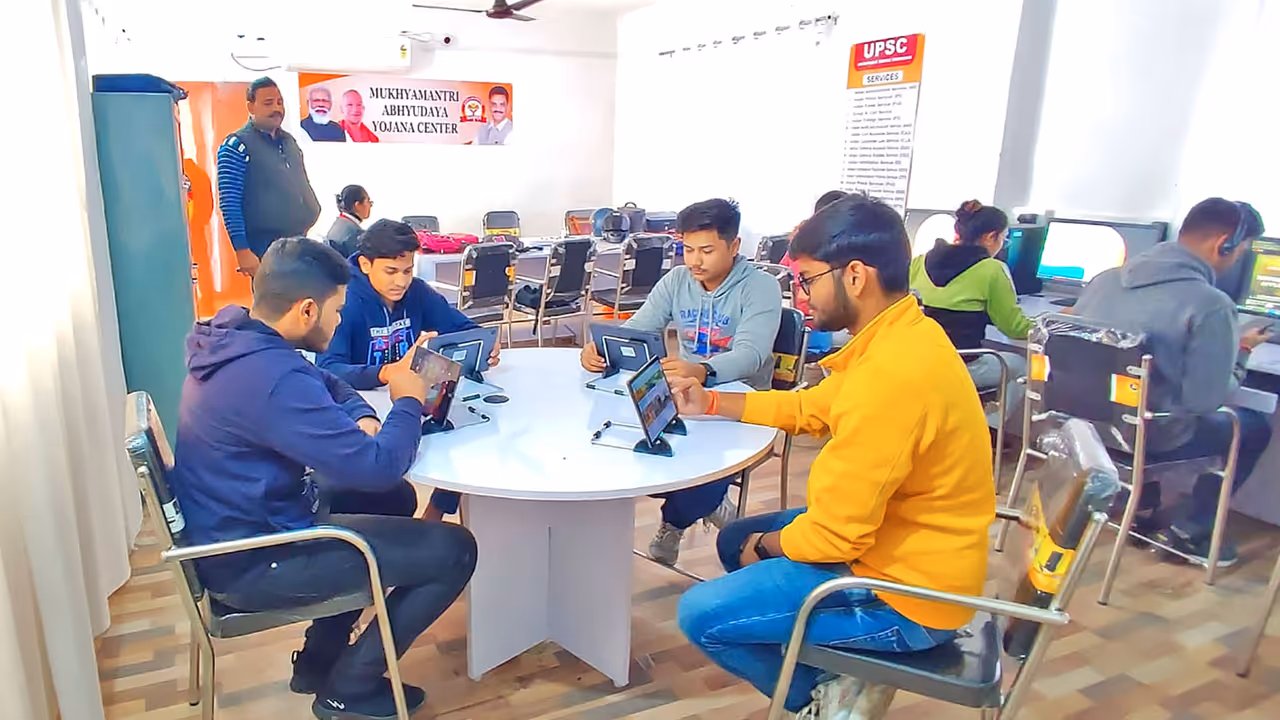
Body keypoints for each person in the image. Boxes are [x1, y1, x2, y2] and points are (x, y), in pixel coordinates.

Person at [673, 196, 995, 718]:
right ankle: (834, 667)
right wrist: (709, 401)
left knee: (701, 614)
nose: (801, 297)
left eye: (807, 280)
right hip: (900, 544)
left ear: (855, 276)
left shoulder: (893, 377)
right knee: (733, 540)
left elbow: (835, 537)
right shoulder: (901, 335)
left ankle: (822, 703)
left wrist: (767, 546)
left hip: (908, 597)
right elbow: (811, 407)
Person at [171, 238, 477, 719]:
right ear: (308, 310)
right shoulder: (272, 379)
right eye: (336, 311)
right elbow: (378, 466)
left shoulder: (242, 337)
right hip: (254, 561)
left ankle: (319, 660)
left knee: (395, 499)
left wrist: (364, 415)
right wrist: (407, 400)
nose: (338, 323)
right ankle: (349, 691)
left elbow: (327, 382)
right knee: (454, 550)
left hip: (237, 527)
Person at [580, 198, 783, 565]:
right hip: (683, 394)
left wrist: (703, 370)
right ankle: (708, 503)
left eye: (707, 250)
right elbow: (639, 329)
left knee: (701, 465)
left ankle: (675, 520)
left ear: (734, 246)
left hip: (743, 400)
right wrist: (600, 348)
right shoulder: (677, 281)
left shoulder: (760, 287)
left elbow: (751, 354)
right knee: (631, 446)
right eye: (688, 249)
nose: (695, 261)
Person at [1072, 197, 1273, 566]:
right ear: (1224, 244)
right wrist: (1241, 351)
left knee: (1148, 399)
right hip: (1149, 436)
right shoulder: (1210, 304)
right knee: (1252, 427)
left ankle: (1138, 502)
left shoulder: (1103, 281)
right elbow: (1205, 401)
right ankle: (1191, 530)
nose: (1237, 261)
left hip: (1086, 426)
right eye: (1241, 251)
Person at [318, 219, 500, 522]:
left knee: (460, 433)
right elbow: (328, 370)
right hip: (362, 407)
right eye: (391, 271)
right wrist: (386, 373)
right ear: (365, 264)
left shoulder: (417, 292)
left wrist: (486, 343)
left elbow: (460, 326)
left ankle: (436, 512)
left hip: (408, 396)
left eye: (407, 271)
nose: (401, 281)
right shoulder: (344, 301)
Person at [909, 200, 1031, 428]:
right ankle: (989, 429)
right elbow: (1013, 328)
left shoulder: (919, 261)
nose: (1003, 245)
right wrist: (1048, 324)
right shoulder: (992, 269)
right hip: (960, 363)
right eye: (1003, 238)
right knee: (1023, 367)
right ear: (990, 237)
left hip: (916, 361)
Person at [216, 77, 321, 277]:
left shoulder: (289, 142)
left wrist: (313, 211)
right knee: (275, 297)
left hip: (298, 243)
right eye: (268, 103)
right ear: (251, 107)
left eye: (280, 102)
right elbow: (229, 203)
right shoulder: (236, 145)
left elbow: (302, 182)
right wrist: (242, 251)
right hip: (264, 248)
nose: (277, 108)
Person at [783, 190, 856, 357]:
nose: (803, 294)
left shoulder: (799, 241)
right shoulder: (838, 249)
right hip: (820, 328)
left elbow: (781, 271)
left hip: (801, 323)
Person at [326, 185, 372, 258]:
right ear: (357, 205)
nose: (370, 205)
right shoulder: (355, 234)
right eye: (368, 201)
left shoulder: (338, 224)